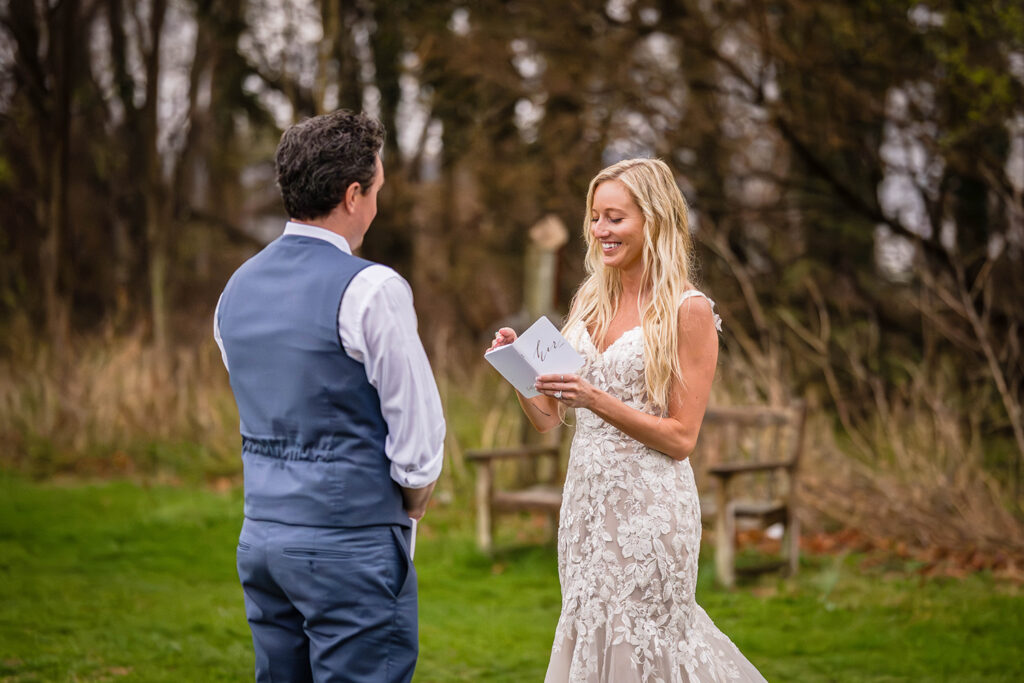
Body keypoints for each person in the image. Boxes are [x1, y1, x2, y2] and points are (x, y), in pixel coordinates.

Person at [489, 158, 766, 682]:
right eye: (595, 218)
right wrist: (520, 371)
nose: (600, 231)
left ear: (653, 219)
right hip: (586, 509)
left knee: (647, 638)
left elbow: (682, 437)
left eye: (614, 218)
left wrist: (595, 399)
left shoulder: (689, 311)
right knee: (592, 631)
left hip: (651, 512)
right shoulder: (590, 301)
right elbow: (549, 418)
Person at [214, 110, 444, 683]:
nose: (376, 206)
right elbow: (417, 431)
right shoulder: (372, 289)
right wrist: (410, 502)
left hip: (262, 536)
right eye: (377, 191)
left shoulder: (236, 288)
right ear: (351, 194)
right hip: (350, 541)